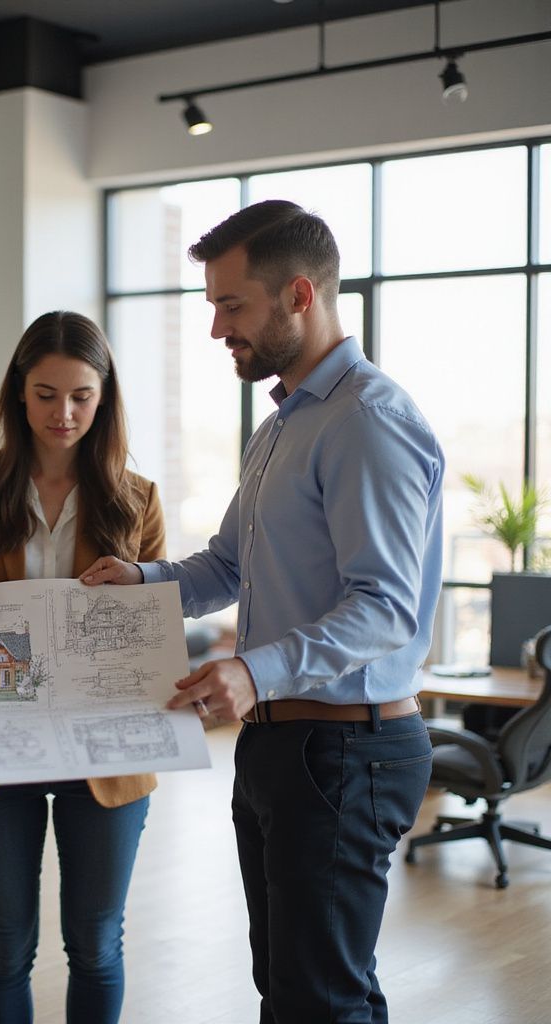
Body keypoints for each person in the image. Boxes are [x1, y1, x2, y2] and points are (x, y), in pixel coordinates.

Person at [81, 200, 445, 1024]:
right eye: (213, 305)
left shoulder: (367, 422)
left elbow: (384, 608)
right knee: (298, 988)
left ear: (302, 296)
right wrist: (140, 581)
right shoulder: (285, 424)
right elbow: (230, 567)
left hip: (346, 749)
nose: (217, 328)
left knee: (317, 999)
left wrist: (253, 668)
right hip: (287, 744)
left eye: (231, 304)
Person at [0, 311, 166, 1024]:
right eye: (46, 394)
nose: (63, 413)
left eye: (81, 396)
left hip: (105, 748)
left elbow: (151, 629)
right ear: (19, 395)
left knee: (95, 943)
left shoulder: (137, 496)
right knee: (3, 945)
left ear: (105, 397)